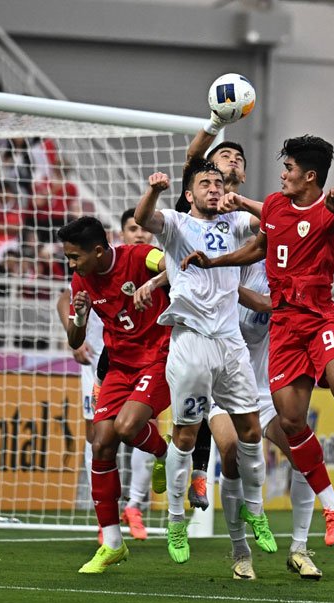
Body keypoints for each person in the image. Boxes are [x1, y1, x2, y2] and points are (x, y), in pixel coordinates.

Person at [182, 134, 334, 547]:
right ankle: (332, 507)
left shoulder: (331, 211)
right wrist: (215, 261)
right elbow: (258, 246)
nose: (282, 174)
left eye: (289, 168)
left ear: (309, 176)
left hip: (320, 316)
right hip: (284, 327)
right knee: (291, 423)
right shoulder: (274, 205)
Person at [134, 161, 266, 579]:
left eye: (219, 183)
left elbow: (275, 222)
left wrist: (241, 199)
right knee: (187, 435)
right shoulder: (174, 223)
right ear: (189, 194)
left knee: (251, 431)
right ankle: (175, 522)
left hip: (231, 343)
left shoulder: (235, 221)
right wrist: (154, 190)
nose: (213, 189)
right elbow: (142, 218)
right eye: (205, 184)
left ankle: (257, 513)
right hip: (191, 341)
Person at [58, 215, 170, 574]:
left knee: (124, 427)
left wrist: (153, 283)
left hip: (159, 356)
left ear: (99, 249)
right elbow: (75, 341)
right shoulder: (82, 280)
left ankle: (166, 453)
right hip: (119, 365)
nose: (72, 265)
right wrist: (78, 318)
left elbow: (170, 264)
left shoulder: (138, 256)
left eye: (75, 257)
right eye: (69, 258)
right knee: (101, 443)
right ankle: (112, 543)